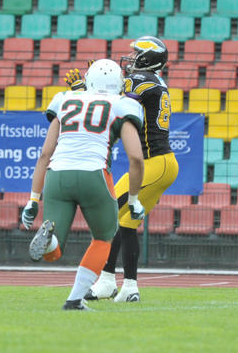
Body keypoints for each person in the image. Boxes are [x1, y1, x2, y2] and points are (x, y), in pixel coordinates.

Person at [21, 59, 146, 311]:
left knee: (54, 251)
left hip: (57, 174)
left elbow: (44, 154)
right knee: (104, 238)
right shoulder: (122, 104)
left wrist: (33, 199)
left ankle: (49, 241)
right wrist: (133, 200)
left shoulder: (65, 99)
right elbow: (135, 157)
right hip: (94, 173)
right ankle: (75, 299)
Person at [64, 36, 178, 303]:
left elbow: (111, 105)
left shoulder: (141, 80)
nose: (131, 58)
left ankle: (104, 281)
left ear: (148, 59)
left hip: (154, 164)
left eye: (137, 54)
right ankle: (128, 287)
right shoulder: (153, 81)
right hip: (159, 164)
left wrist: (84, 88)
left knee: (107, 214)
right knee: (125, 224)